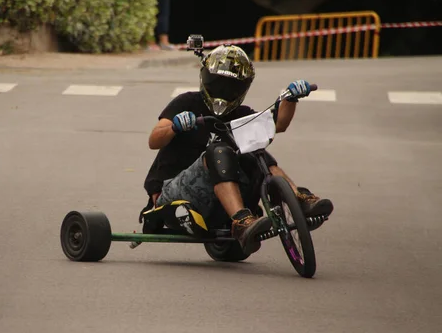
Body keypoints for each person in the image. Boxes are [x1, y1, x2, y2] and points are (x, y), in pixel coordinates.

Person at [142, 44, 334, 254]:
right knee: (219, 151)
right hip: (175, 197)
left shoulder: (242, 115)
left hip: (218, 200)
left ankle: (298, 200)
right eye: (217, 84)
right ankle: (242, 221)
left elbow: (278, 124)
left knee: (255, 150)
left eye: (231, 87)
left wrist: (290, 99)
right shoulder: (187, 102)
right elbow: (154, 140)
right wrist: (174, 127)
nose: (223, 93)